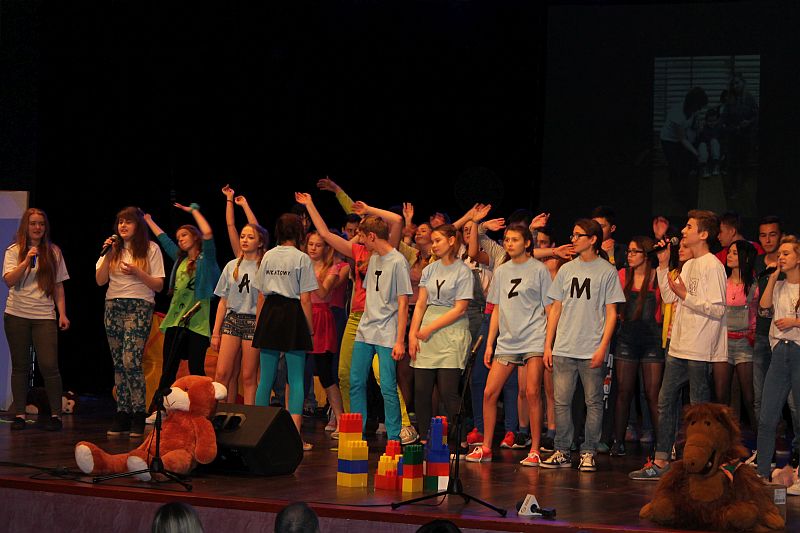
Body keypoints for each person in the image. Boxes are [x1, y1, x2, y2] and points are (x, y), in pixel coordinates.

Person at [630, 210, 726, 481]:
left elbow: (718, 309)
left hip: (700, 348)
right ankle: (662, 459)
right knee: (665, 400)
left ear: (703, 234)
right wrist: (663, 264)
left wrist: (687, 295)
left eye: (689, 227)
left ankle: (701, 462)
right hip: (679, 345)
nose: (683, 231)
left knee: (698, 409)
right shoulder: (689, 264)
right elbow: (670, 296)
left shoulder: (712, 266)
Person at [540, 219, 625, 472]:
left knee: (593, 402)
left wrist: (603, 347)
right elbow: (556, 308)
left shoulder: (607, 271)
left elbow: (611, 313)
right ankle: (563, 451)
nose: (573, 239)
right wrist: (548, 344)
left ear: (593, 239)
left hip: (591, 348)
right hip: (564, 347)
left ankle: (588, 452)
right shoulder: (566, 269)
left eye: (579, 235)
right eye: (573, 234)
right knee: (561, 402)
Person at [465, 224, 551, 465]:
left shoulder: (539, 270)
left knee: (532, 392)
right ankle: (486, 447)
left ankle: (534, 449)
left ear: (527, 243)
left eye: (515, 239)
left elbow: (549, 307)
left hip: (533, 337)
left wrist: (548, 343)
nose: (509, 243)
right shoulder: (502, 271)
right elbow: (497, 309)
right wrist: (490, 343)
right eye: (507, 239)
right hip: (507, 341)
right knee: (489, 392)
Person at [96, 206, 165, 437]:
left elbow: (159, 285)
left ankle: (138, 413)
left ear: (138, 226)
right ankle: (122, 413)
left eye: (128, 222)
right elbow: (99, 280)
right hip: (113, 305)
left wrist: (138, 272)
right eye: (120, 222)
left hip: (139, 306)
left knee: (131, 360)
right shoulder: (112, 249)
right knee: (119, 362)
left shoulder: (151, 249)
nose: (123, 226)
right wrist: (108, 254)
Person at [252, 213, 317, 450]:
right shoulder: (301, 258)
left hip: (269, 314)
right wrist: (309, 328)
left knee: (265, 378)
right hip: (292, 314)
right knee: (296, 378)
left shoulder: (268, 255)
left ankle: (258, 434)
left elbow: (261, 295)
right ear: (299, 232)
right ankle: (294, 437)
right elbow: (306, 298)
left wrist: (259, 325)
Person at [145, 203, 220, 403]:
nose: (180, 240)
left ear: (195, 237)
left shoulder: (206, 259)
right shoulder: (180, 260)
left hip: (197, 323)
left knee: (196, 370)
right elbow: (164, 240)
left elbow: (208, 233)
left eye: (184, 235)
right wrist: (148, 220)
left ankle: (203, 408)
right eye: (178, 238)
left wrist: (194, 211)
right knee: (168, 369)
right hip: (176, 321)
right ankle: (158, 408)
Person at [3, 208, 70, 431]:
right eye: (33, 223)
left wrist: (62, 314)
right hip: (17, 314)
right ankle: (20, 414)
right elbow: (9, 281)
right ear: (26, 226)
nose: (37, 227)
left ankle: (56, 415)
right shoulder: (14, 251)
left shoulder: (54, 252)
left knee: (49, 365)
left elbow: (58, 286)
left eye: (41, 223)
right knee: (20, 366)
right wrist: (25, 261)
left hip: (44, 315)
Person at [409, 224, 473, 445]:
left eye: (438, 240)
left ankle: (460, 439)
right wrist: (412, 334)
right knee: (421, 389)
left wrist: (430, 328)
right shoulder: (430, 269)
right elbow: (420, 303)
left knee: (448, 391)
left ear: (452, 241)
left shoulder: (463, 271)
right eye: (433, 241)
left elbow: (460, 308)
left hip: (451, 331)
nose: (434, 245)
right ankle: (425, 438)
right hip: (427, 330)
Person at [610, 236, 663, 457]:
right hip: (627, 339)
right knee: (623, 392)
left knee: (652, 394)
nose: (629, 255)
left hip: (652, 341)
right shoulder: (623, 275)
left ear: (646, 255)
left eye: (635, 252)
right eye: (629, 251)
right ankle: (618, 442)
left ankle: (662, 445)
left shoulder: (657, 276)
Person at [756, 236, 800, 482]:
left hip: (798, 350)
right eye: (779, 254)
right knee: (767, 416)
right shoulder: (779, 285)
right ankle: (762, 473)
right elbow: (764, 309)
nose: (781, 257)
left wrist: (795, 322)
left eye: (786, 253)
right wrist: (772, 278)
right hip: (780, 352)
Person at [212, 223, 269, 404]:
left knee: (248, 376)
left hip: (253, 323)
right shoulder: (231, 266)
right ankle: (219, 413)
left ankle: (249, 416)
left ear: (260, 242)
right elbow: (223, 301)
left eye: (250, 237)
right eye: (243, 236)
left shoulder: (264, 267)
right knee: (222, 373)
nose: (244, 240)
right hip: (232, 320)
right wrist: (215, 332)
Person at [305, 230, 345, 436]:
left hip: (321, 318)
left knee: (325, 373)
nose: (313, 248)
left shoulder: (333, 268)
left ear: (326, 248)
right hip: (303, 315)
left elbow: (322, 292)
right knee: (295, 372)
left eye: (318, 245)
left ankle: (340, 419)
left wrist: (308, 271)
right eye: (310, 244)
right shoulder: (301, 265)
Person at [724, 239, 758, 427]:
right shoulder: (722, 282)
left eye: (735, 253)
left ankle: (762, 437)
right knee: (723, 395)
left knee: (749, 397)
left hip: (745, 343)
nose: (729, 256)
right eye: (729, 252)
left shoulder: (754, 285)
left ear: (745, 258)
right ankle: (726, 438)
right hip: (723, 344)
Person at [659, 87, 708, 209]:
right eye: (699, 106)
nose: (699, 109)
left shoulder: (693, 110)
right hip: (668, 140)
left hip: (681, 138)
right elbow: (682, 139)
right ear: (693, 103)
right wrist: (696, 153)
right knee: (675, 166)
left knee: (682, 167)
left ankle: (681, 187)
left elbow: (692, 128)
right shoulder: (677, 114)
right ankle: (678, 193)